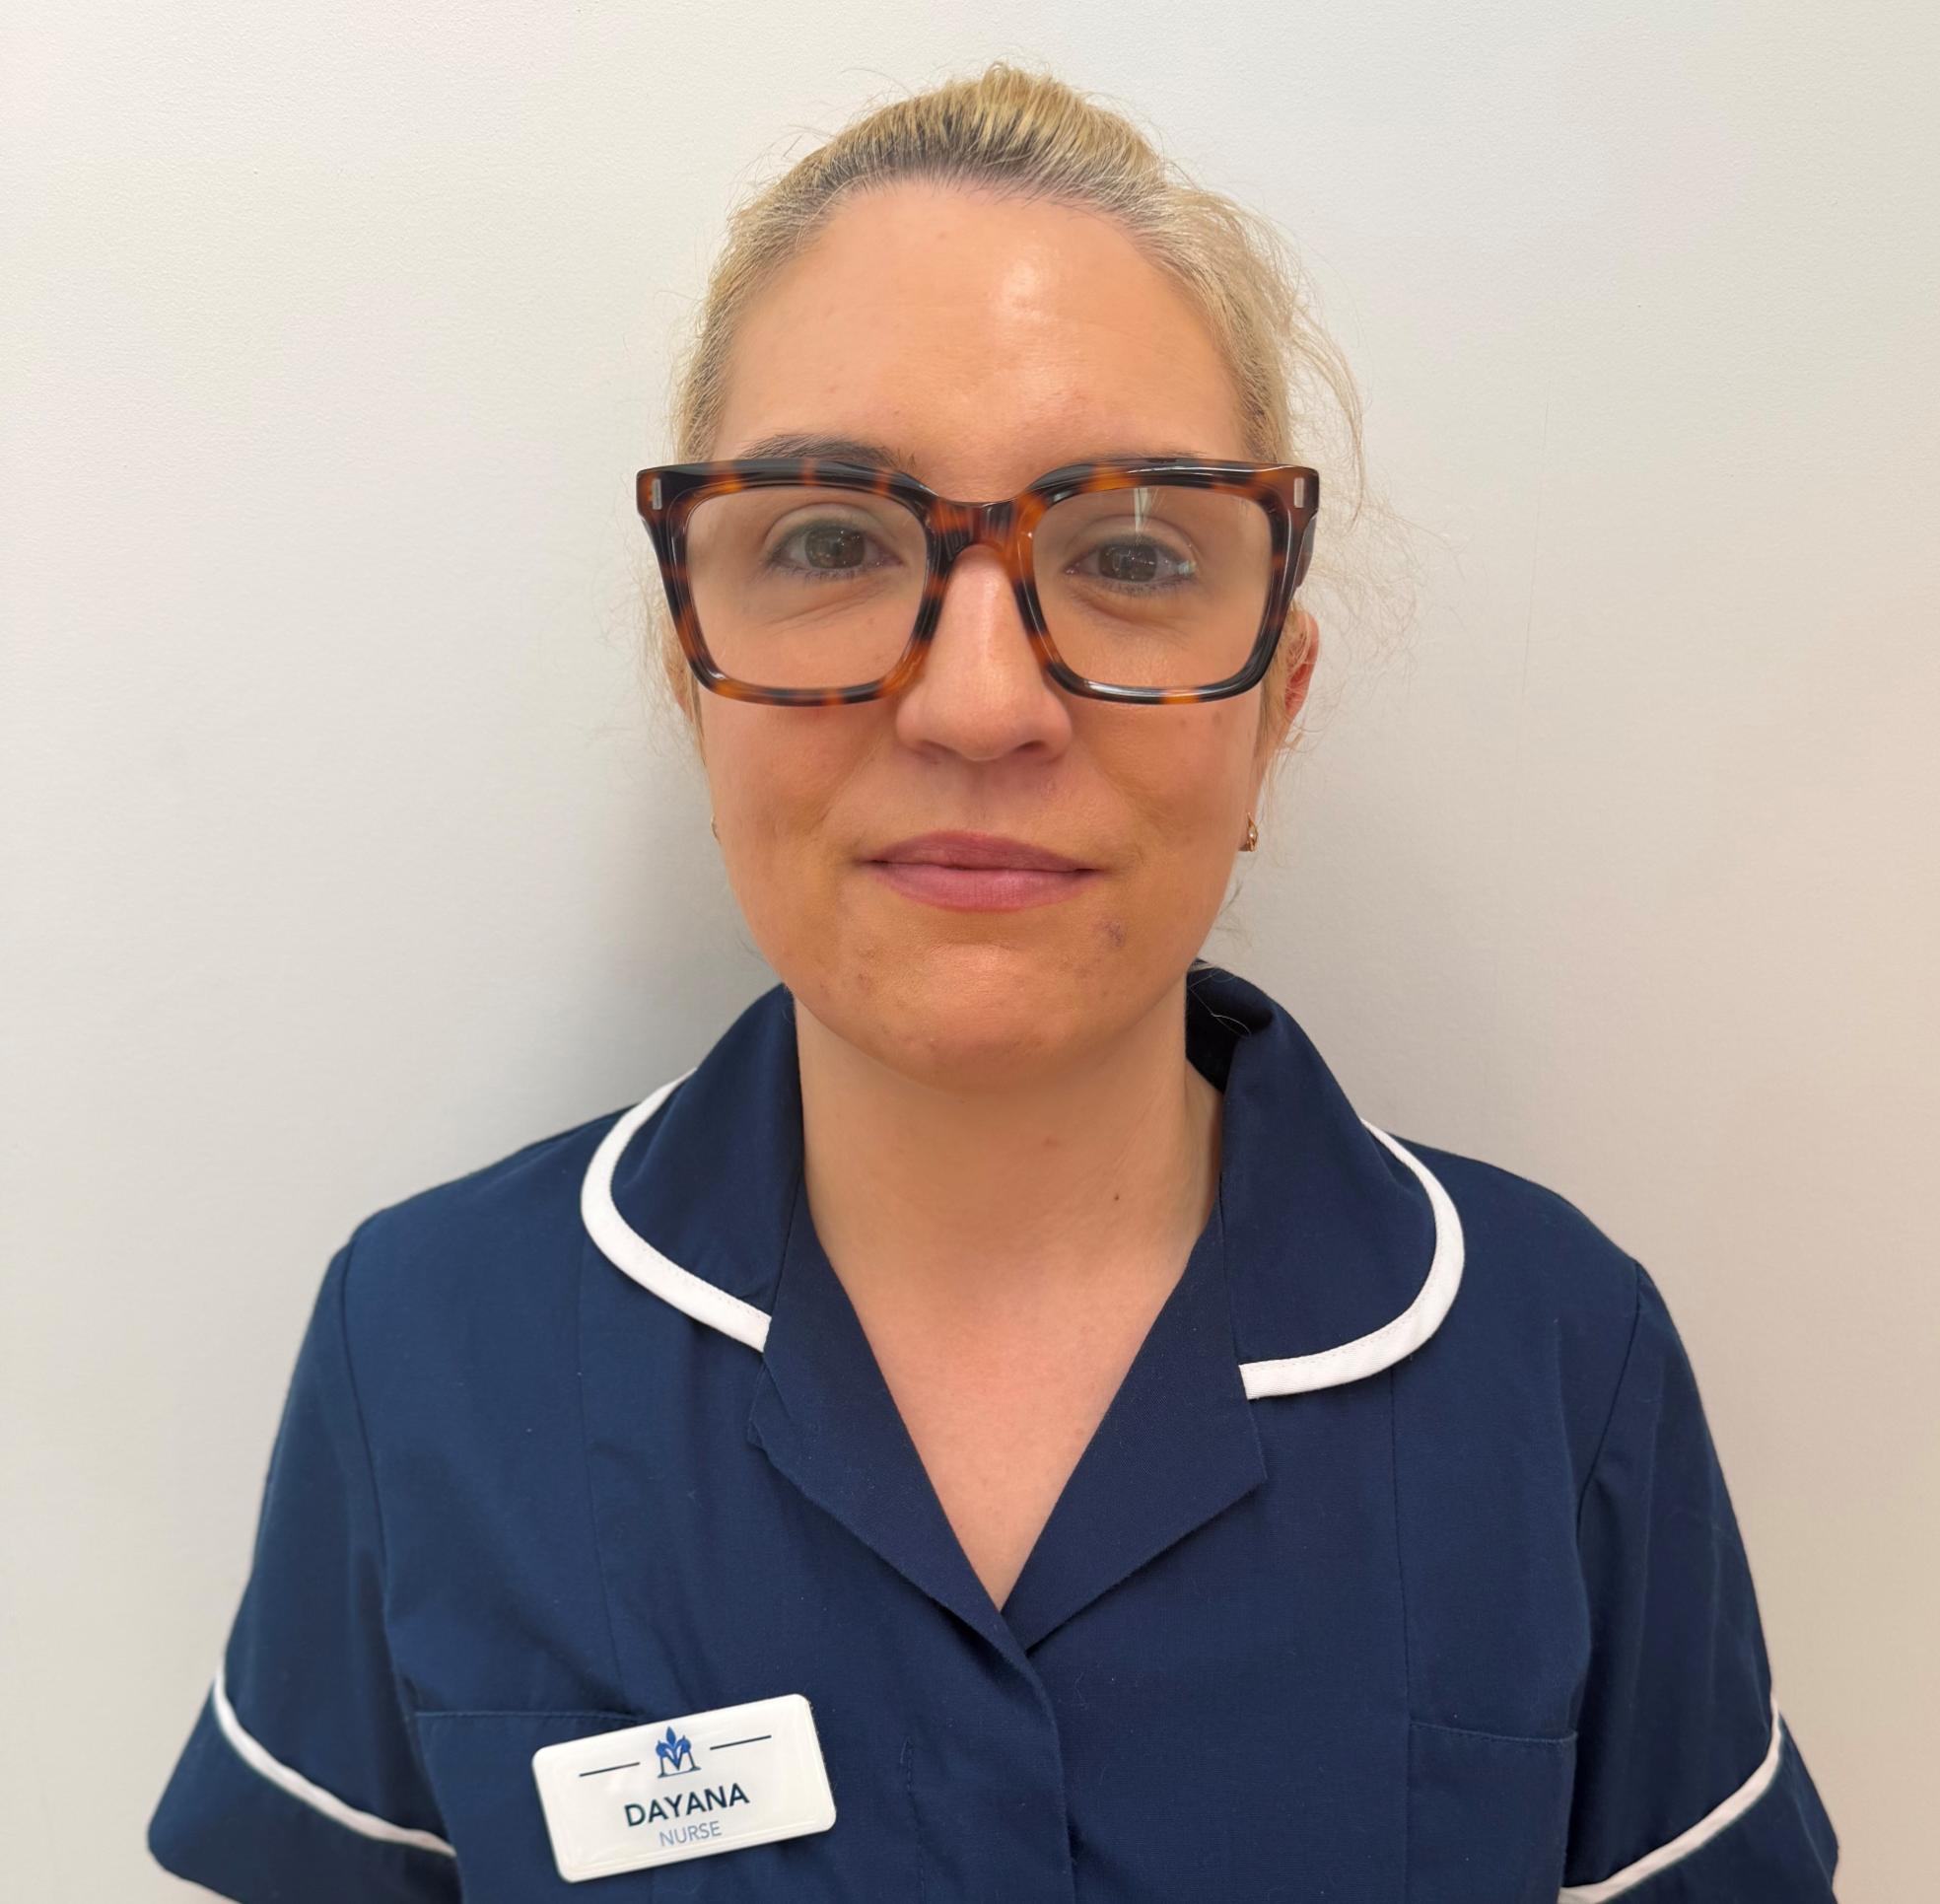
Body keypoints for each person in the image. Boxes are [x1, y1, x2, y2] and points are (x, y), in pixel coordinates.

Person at [148, 60, 1839, 1903]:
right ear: (690, 664)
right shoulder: (430, 1349)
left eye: (1128, 555)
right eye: (825, 541)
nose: (976, 706)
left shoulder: (1555, 1364)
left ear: (1274, 704)